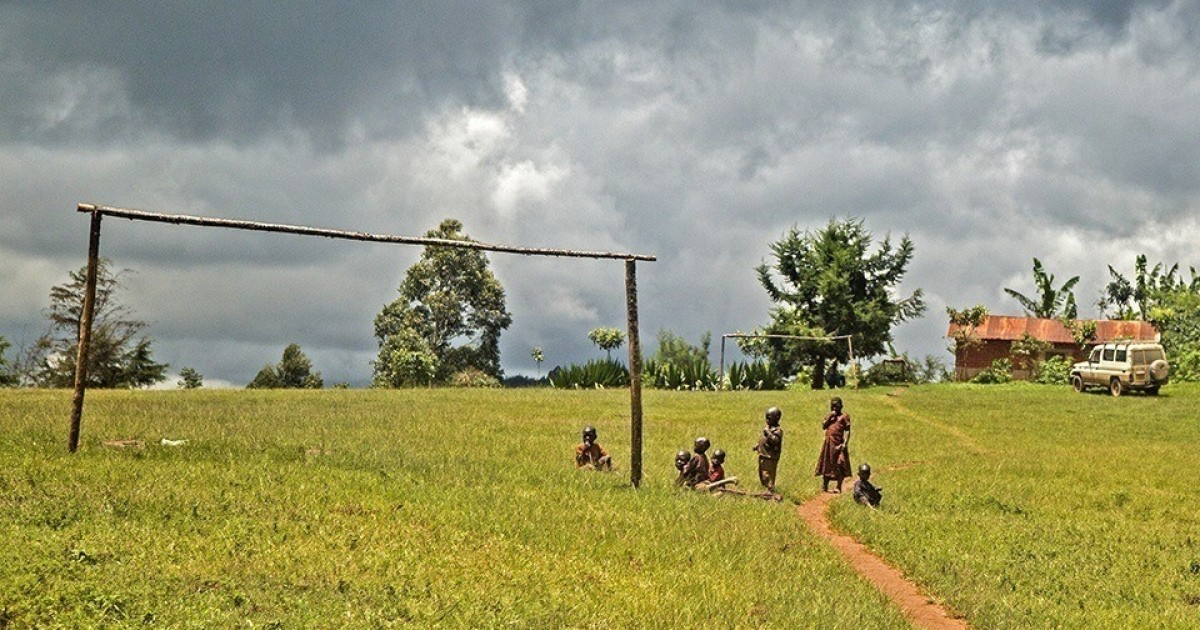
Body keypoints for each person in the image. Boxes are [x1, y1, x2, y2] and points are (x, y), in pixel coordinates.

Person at [814, 396, 852, 493]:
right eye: (833, 406)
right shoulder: (829, 416)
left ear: (841, 406)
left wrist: (845, 443)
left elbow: (847, 431)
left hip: (839, 444)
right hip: (829, 444)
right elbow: (824, 426)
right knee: (827, 464)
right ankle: (825, 486)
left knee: (840, 463)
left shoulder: (844, 417)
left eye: (837, 406)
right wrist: (830, 416)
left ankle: (838, 486)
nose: (835, 408)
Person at [752, 407, 784, 493]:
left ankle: (770, 490)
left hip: (770, 457)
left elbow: (775, 441)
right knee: (762, 473)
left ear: (776, 418)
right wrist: (758, 446)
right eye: (766, 417)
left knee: (768, 474)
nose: (766, 420)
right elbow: (764, 440)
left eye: (769, 418)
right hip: (763, 455)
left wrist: (768, 433)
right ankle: (764, 487)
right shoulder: (768, 428)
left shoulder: (778, 431)